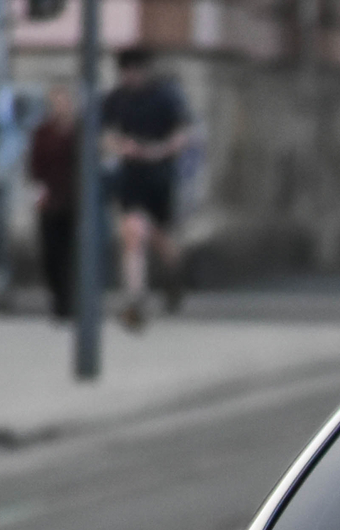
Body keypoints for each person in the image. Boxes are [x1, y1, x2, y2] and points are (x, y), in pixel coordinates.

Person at [99, 46, 194, 331]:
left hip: (160, 176)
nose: (130, 76)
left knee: (161, 239)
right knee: (133, 232)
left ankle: (174, 277)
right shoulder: (117, 98)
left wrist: (160, 151)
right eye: (125, 71)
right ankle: (135, 299)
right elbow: (103, 133)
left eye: (134, 70)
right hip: (131, 176)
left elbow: (184, 132)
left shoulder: (165, 96)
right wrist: (122, 146)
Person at [26, 85, 80, 321]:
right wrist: (38, 193)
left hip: (76, 200)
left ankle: (71, 301)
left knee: (73, 252)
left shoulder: (80, 132)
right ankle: (59, 300)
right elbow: (34, 167)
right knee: (52, 253)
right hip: (50, 200)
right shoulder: (43, 133)